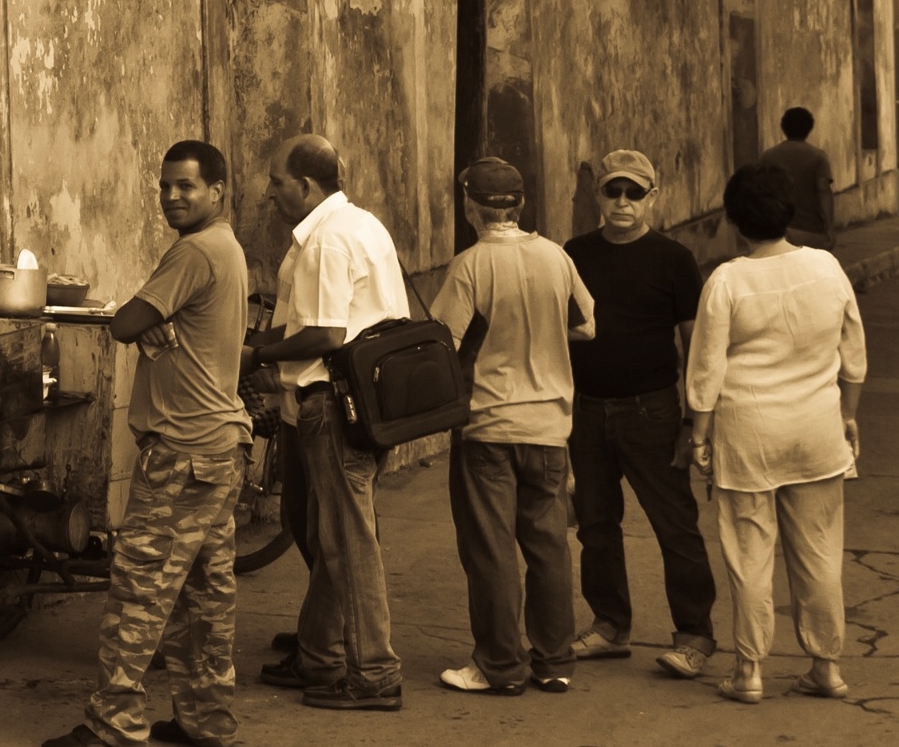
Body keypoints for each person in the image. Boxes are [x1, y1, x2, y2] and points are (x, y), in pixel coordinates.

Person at [40, 141, 252, 747]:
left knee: (140, 589)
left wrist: (144, 318)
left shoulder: (195, 250)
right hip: (219, 446)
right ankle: (206, 719)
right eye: (165, 187)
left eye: (186, 186)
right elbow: (146, 320)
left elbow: (124, 323)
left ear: (218, 190)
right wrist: (154, 320)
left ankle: (115, 723)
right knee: (205, 594)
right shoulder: (227, 247)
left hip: (184, 450)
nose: (172, 197)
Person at [687, 163, 866, 704]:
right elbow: (852, 358)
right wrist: (847, 416)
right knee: (818, 551)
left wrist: (699, 435)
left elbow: (706, 371)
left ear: (734, 221)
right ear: (788, 212)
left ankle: (749, 671)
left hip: (749, 435)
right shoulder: (827, 269)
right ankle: (826, 665)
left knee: (748, 555)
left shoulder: (728, 280)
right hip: (817, 431)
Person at [242, 135, 409, 711]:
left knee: (347, 542)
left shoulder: (328, 240)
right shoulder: (361, 225)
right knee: (327, 533)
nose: (269, 192)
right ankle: (324, 655)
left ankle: (374, 673)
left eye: (277, 181)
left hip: (335, 405)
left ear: (307, 186)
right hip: (355, 402)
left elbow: (324, 334)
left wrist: (256, 356)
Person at [432, 158, 597, 696]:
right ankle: (553, 660)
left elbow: (442, 346)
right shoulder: (555, 257)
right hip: (549, 426)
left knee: (492, 548)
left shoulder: (471, 265)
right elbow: (587, 325)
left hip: (490, 426)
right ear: (520, 205)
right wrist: (541, 343)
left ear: (469, 205)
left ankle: (500, 666)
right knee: (548, 545)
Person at [563, 149, 716, 681]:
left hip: (651, 412)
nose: (622, 202)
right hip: (586, 410)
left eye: (634, 192)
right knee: (596, 524)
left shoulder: (673, 259)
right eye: (613, 191)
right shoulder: (573, 254)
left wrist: (695, 423)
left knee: (675, 525)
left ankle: (694, 636)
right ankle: (609, 625)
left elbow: (696, 346)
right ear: (598, 197)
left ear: (653, 197)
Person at [758, 107, 839, 250]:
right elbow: (823, 191)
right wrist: (830, 228)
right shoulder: (818, 157)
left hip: (776, 231)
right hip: (810, 230)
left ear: (784, 128)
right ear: (809, 128)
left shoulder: (768, 156)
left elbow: (760, 193)